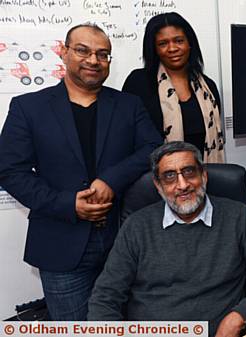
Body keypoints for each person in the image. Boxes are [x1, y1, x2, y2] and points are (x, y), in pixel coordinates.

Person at [0, 24, 162, 320]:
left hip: (124, 239)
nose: (93, 60)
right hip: (61, 242)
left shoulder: (128, 104)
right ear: (64, 52)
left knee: (130, 322)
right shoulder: (29, 107)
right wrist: (68, 204)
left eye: (103, 54)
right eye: (83, 51)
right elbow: (11, 171)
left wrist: (111, 179)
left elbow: (153, 147)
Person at [88, 141, 246, 336]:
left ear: (203, 176)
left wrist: (240, 316)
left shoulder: (237, 216)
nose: (182, 184)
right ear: (158, 186)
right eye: (170, 177)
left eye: (189, 172)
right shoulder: (136, 227)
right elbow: (105, 298)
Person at [122, 12, 225, 163]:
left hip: (202, 176)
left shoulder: (208, 87)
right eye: (163, 43)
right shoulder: (138, 83)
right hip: (153, 178)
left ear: (190, 44)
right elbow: (126, 138)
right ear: (154, 49)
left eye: (179, 40)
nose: (172, 48)